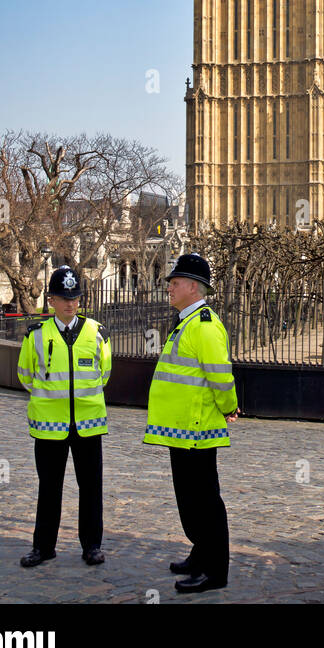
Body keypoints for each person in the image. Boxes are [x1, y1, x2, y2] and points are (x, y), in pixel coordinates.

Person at [143, 253, 239, 593]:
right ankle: (201, 554)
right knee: (189, 500)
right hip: (181, 429)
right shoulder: (186, 322)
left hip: (197, 428)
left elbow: (220, 375)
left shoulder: (204, 326)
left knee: (205, 502)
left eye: (176, 282)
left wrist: (230, 407)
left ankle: (215, 571)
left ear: (194, 288)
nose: (169, 287)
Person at [17, 265, 111, 568]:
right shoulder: (36, 335)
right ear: (51, 301)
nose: (71, 303)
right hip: (49, 425)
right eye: (64, 298)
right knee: (49, 487)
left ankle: (92, 546)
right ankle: (43, 547)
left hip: (88, 423)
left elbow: (104, 374)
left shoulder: (97, 333)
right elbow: (25, 376)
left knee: (91, 487)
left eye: (75, 298)